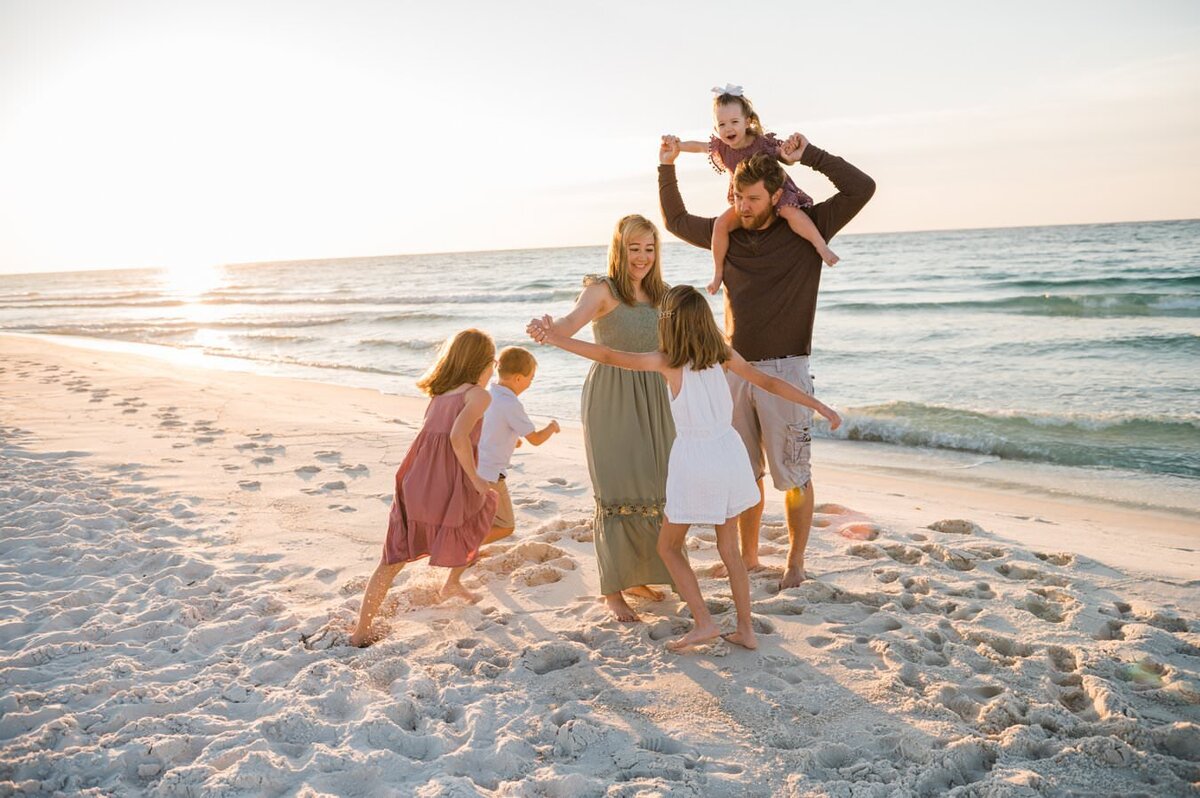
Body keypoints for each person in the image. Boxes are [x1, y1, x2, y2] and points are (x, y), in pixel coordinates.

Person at [528, 284, 841, 651]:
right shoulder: (722, 353)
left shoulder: (667, 362)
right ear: (705, 321)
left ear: (668, 323)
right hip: (729, 454)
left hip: (695, 460)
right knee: (730, 548)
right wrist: (818, 406)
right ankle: (745, 629)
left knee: (670, 547)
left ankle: (705, 622)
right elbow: (770, 381)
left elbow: (609, 355)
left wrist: (555, 338)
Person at [659, 130, 875, 590]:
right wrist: (667, 166)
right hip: (732, 370)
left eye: (753, 198)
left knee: (794, 474)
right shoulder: (729, 235)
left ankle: (795, 562)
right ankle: (751, 556)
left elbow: (862, 188)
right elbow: (676, 220)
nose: (743, 206)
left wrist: (811, 155)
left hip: (787, 368)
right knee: (744, 473)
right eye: (737, 197)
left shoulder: (808, 227)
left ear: (776, 195)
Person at [526, 214, 676, 622]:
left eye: (649, 249)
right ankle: (613, 590)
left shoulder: (662, 295)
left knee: (655, 484)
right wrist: (548, 327)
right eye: (634, 249)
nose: (642, 257)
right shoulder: (602, 289)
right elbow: (571, 321)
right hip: (612, 394)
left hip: (655, 395)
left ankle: (639, 574)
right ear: (619, 249)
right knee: (616, 488)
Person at [349, 329, 500, 647]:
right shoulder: (478, 395)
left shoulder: (441, 393)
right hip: (444, 480)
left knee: (391, 561)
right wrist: (474, 478)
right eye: (493, 362)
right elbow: (457, 438)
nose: (494, 368)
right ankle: (453, 581)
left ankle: (361, 630)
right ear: (482, 363)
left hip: (414, 477)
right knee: (481, 509)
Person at [668, 85, 838, 295]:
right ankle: (718, 273)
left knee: (790, 212)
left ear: (747, 122)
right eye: (722, 124)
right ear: (715, 128)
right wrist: (679, 145)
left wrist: (790, 151)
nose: (728, 128)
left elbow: (784, 156)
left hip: (776, 191)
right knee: (720, 224)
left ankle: (821, 246)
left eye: (734, 122)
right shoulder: (722, 147)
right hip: (745, 202)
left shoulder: (760, 143)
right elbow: (700, 147)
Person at [476, 346, 561, 543]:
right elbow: (536, 439)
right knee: (506, 525)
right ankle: (466, 547)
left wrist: (511, 441)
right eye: (531, 378)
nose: (531, 383)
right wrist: (551, 427)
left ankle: (468, 550)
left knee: (482, 516)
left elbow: (488, 428)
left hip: (473, 467)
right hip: (491, 474)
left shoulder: (488, 394)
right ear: (518, 378)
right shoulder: (511, 404)